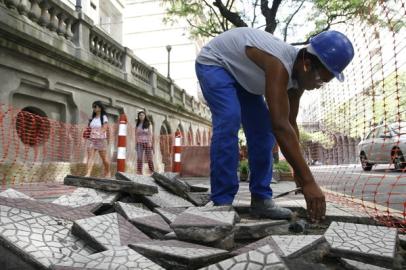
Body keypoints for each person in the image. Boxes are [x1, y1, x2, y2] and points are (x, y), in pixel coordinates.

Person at [195, 28, 354, 222]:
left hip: (243, 79)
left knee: (263, 132)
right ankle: (221, 201)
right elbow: (280, 125)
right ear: (306, 64)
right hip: (215, 63)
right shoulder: (278, 64)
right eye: (320, 79)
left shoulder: (297, 83)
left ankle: (261, 200)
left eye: (324, 83)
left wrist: (298, 169)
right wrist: (308, 181)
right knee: (229, 118)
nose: (317, 86)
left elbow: (289, 124)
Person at [84, 101, 111, 178]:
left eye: (95, 106)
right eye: (93, 107)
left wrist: (98, 133)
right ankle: (88, 174)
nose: (93, 108)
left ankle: (108, 171)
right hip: (92, 139)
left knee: (104, 158)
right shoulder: (92, 118)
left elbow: (105, 128)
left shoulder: (104, 117)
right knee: (90, 157)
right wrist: (87, 133)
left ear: (100, 107)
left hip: (101, 140)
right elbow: (89, 128)